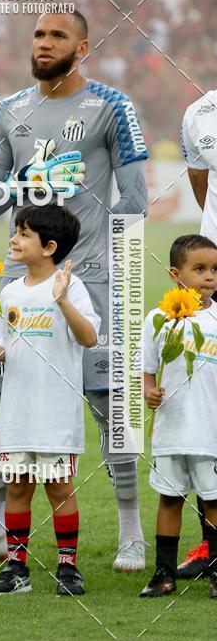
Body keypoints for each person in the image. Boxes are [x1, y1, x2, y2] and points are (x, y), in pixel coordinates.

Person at [0, 9, 149, 571]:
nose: (44, 43)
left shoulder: (113, 106)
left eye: (57, 35)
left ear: (81, 46)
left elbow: (135, 203)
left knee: (114, 409)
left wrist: (86, 249)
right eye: (38, 33)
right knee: (7, 408)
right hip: (20, 287)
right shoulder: (9, 109)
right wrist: (31, 181)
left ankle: (132, 534)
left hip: (92, 281)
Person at [0, 204, 99, 595]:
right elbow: (7, 345)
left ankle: (68, 568)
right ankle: (16, 570)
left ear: (50, 246)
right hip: (17, 411)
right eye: (16, 231)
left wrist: (61, 300)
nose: (14, 239)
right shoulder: (9, 291)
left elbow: (89, 338)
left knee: (59, 487)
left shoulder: (70, 285)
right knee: (18, 487)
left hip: (55, 411)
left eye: (24, 233)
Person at [140, 234, 217, 598]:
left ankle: (216, 572)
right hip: (171, 430)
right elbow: (147, 370)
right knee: (169, 499)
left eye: (215, 269)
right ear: (175, 274)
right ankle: (164, 574)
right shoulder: (158, 319)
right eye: (199, 269)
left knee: (214, 500)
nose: (209, 277)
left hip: (209, 432)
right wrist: (148, 392)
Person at [176, 95, 217, 578]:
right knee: (207, 411)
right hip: (214, 279)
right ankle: (210, 545)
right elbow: (201, 186)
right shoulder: (199, 112)